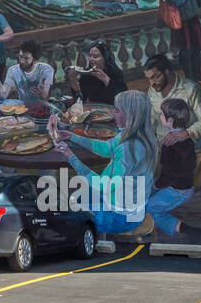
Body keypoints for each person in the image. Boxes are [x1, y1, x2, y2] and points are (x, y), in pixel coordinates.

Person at [51, 90, 158, 236]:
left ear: (131, 115)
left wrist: (69, 155)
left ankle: (91, 243)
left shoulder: (128, 149)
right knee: (75, 196)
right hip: (135, 208)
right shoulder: (141, 135)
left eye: (118, 110)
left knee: (60, 214)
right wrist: (73, 137)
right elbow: (108, 148)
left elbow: (102, 185)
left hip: (120, 217)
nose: (114, 113)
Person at [146, 98, 201, 242]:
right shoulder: (186, 139)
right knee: (144, 191)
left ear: (170, 121)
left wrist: (157, 185)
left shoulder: (170, 143)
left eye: (162, 115)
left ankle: (188, 230)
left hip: (177, 190)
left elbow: (171, 174)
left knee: (150, 208)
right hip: (180, 184)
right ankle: (143, 225)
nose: (160, 117)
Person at [143, 54, 201, 156]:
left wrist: (185, 134)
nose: (152, 83)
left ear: (167, 71)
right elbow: (152, 120)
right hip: (160, 148)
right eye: (149, 78)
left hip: (187, 149)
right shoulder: (152, 90)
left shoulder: (191, 89)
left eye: (155, 77)